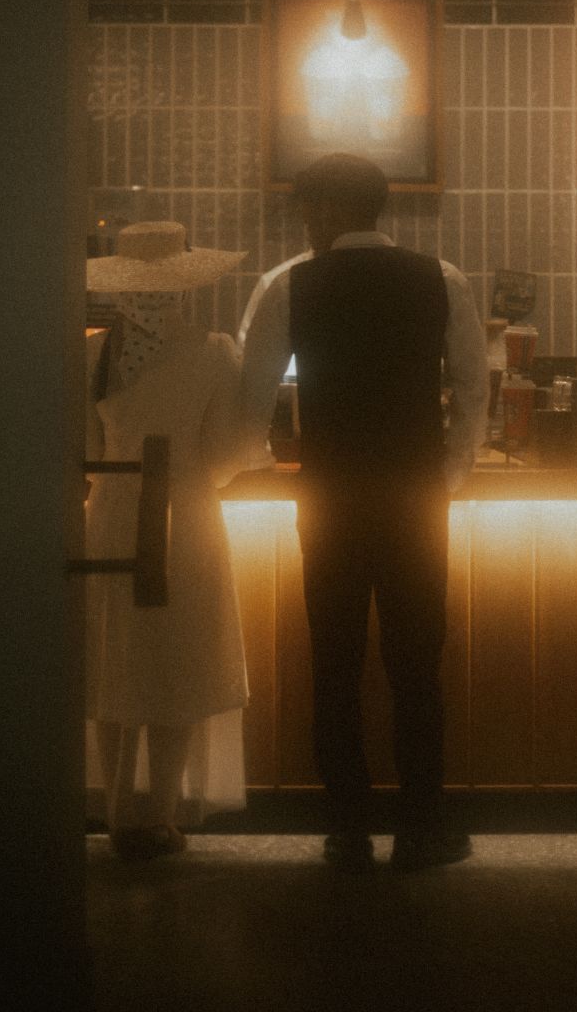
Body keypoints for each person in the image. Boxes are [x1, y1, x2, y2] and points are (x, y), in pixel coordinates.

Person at [239, 153, 487, 872]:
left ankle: (347, 831)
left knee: (336, 663)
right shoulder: (441, 279)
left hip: (330, 499)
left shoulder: (288, 284)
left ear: (322, 210)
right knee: (416, 665)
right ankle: (421, 830)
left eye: (304, 210)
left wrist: (257, 462)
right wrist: (448, 474)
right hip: (414, 500)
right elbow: (474, 389)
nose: (303, 224)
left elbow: (253, 401)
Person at [85, 220, 250, 860]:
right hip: (187, 518)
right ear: (184, 285)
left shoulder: (93, 354)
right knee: (177, 664)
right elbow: (227, 455)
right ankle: (161, 813)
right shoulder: (215, 352)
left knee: (113, 665)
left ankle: (117, 811)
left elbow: (85, 451)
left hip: (111, 518)